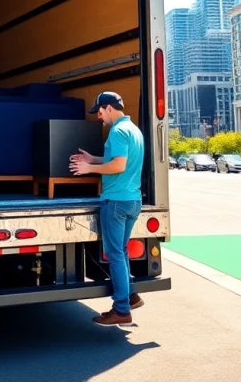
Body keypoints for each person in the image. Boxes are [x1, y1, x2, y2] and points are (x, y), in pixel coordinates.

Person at [70, 91, 145, 326]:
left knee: (115, 254)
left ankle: (121, 310)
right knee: (121, 251)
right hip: (132, 200)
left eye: (100, 112)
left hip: (116, 201)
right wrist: (93, 159)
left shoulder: (118, 131)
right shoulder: (133, 130)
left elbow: (119, 165)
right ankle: (130, 296)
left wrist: (88, 169)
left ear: (109, 108)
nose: (99, 116)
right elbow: (118, 159)